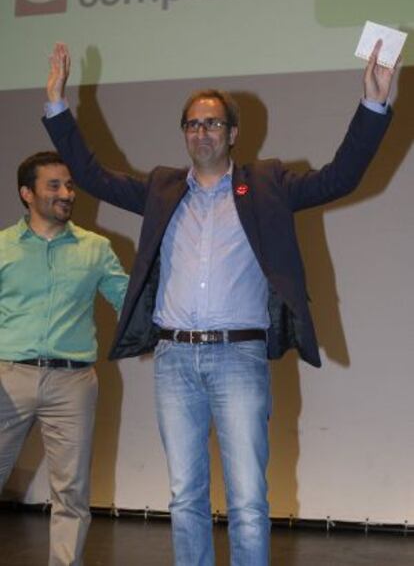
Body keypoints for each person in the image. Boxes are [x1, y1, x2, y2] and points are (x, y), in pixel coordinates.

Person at [42, 41, 396, 565]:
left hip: (239, 358)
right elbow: (93, 175)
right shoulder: (162, 189)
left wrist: (372, 107)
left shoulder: (268, 184)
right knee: (185, 497)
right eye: (192, 124)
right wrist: (56, 105)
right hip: (174, 360)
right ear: (183, 134)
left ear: (232, 134)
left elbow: (340, 177)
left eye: (211, 124)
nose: (201, 132)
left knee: (249, 500)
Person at [0, 151, 129, 566]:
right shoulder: (2, 247)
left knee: (71, 494)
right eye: (53, 185)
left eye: (69, 185)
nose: (66, 193)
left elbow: (129, 301)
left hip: (72, 383)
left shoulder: (96, 248)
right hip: (8, 376)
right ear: (27, 193)